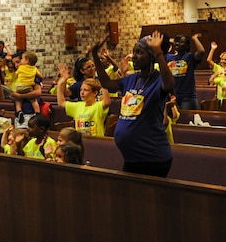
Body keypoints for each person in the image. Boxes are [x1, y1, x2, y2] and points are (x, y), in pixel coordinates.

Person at [95, 32, 175, 177]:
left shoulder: (157, 80)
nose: (133, 56)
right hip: (133, 158)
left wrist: (159, 53)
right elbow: (107, 83)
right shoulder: (132, 79)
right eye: (133, 52)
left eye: (139, 52)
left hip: (152, 157)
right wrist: (95, 54)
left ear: (151, 56)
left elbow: (169, 85)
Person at [56, 63, 111, 136]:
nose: (82, 93)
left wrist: (104, 84)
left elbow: (107, 102)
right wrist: (62, 81)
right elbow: (61, 103)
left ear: (94, 93)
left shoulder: (98, 106)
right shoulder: (78, 106)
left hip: (96, 142)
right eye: (81, 90)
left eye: (85, 90)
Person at [165, 33, 205, 110]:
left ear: (187, 46)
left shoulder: (189, 57)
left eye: (181, 42)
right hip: (172, 97)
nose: (177, 43)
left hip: (187, 98)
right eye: (176, 41)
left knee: (186, 120)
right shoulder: (169, 57)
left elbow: (201, 51)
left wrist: (195, 38)